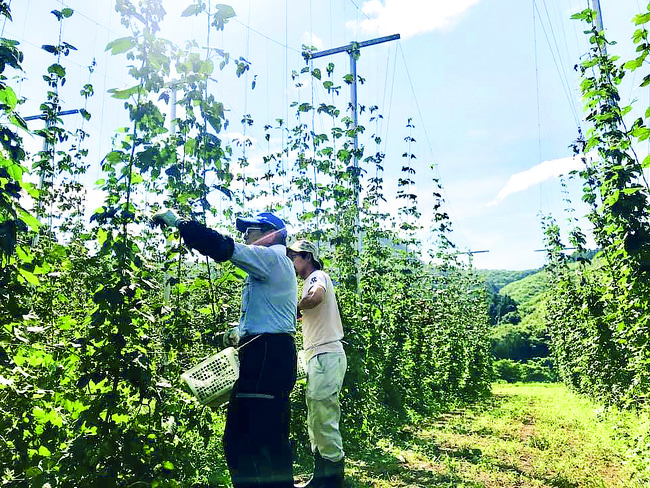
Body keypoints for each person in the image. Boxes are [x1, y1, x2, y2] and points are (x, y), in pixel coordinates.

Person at [153, 210, 298, 488]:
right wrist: (238, 333)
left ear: (270, 233)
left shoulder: (271, 257)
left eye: (250, 230)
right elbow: (271, 312)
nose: (245, 236)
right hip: (269, 353)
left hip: (266, 355)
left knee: (244, 438)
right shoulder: (272, 264)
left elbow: (221, 246)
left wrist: (180, 223)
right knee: (268, 436)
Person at [287, 240, 346, 488]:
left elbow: (317, 297)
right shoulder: (307, 282)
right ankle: (322, 474)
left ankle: (332, 477)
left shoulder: (316, 276)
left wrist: (291, 307)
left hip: (326, 355)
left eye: (294, 257)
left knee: (323, 415)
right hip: (318, 356)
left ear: (307, 257)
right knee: (316, 415)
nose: (292, 262)